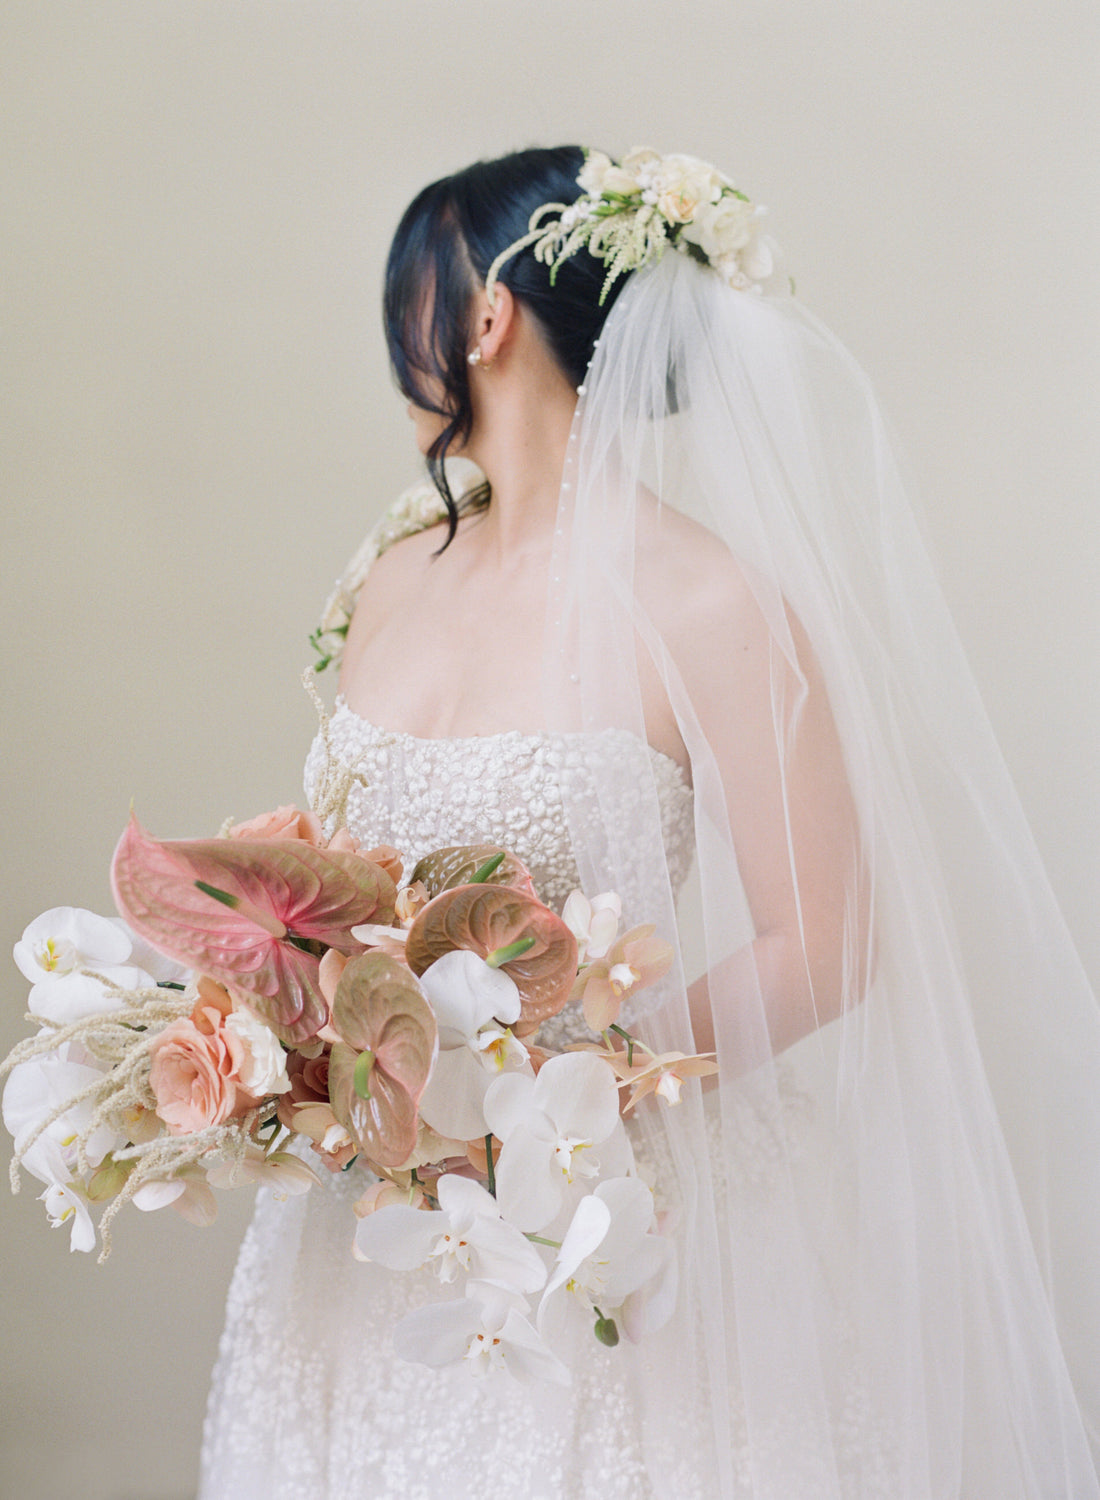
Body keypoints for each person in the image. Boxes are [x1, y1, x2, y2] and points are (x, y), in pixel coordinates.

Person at [198, 146, 1100, 1498]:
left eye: (411, 306)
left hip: (602, 1194)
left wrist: (551, 1080)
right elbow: (346, 882)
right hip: (381, 1215)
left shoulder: (709, 602)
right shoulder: (392, 579)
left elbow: (828, 941)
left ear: (481, 314)